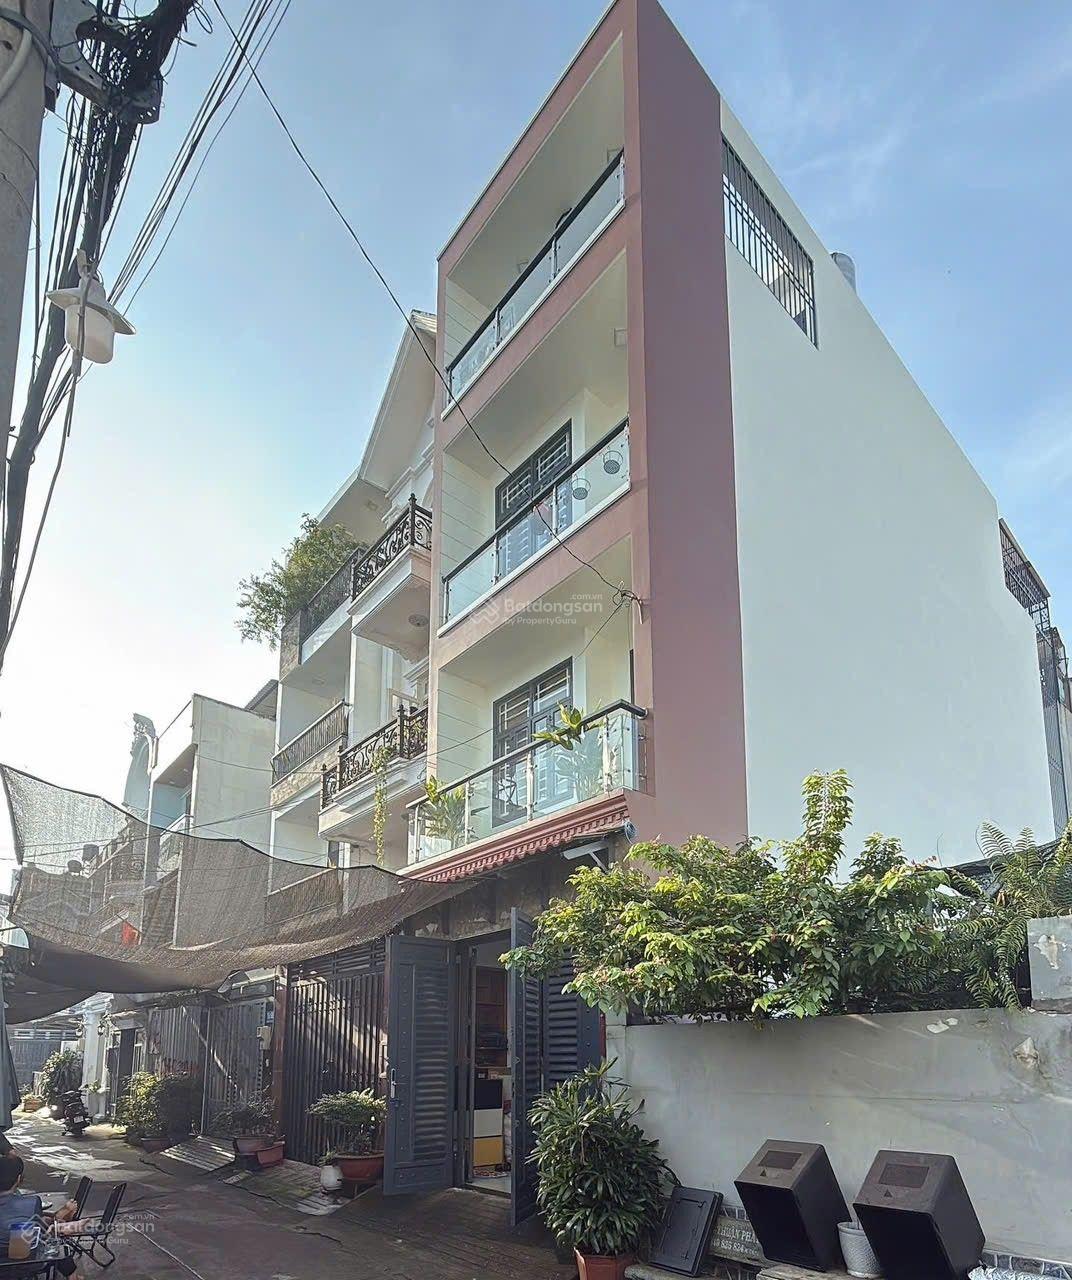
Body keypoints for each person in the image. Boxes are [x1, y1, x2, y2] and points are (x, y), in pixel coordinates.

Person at [0, 1154, 80, 1275]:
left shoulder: (26, 1205)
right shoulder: (30, 1203)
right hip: (22, 1265)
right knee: (52, 1241)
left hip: (10, 1259)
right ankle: (73, 1275)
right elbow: (42, 1232)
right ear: (18, 1179)